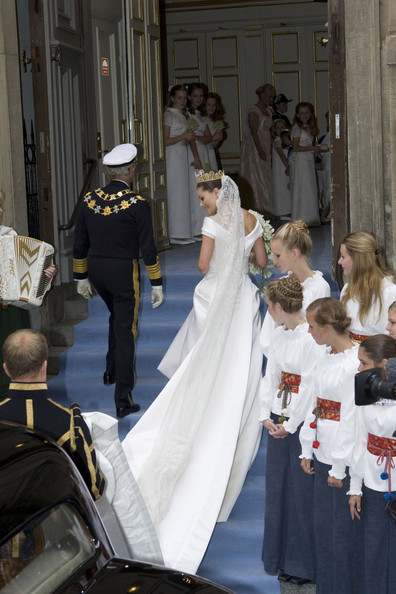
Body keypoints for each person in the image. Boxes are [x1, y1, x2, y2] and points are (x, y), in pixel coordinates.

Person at [122, 170, 267, 574]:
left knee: (204, 363)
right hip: (240, 300)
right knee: (238, 366)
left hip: (216, 295)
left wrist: (217, 262)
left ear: (217, 193)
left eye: (204, 198)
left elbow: (203, 266)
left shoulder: (213, 222)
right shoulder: (252, 219)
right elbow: (260, 262)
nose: (202, 204)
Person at [73, 143, 163, 419]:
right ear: (131, 171)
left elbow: (80, 241)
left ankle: (111, 370)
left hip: (97, 270)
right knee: (126, 330)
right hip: (123, 272)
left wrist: (80, 275)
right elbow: (147, 247)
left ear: (112, 172)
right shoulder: (137, 204)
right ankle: (123, 398)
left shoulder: (89, 200)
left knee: (116, 316)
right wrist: (156, 281)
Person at [260, 276, 324, 587]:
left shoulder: (310, 341)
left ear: (280, 307)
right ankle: (282, 556)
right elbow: (270, 376)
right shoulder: (279, 335)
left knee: (301, 494)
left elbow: (310, 387)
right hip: (278, 417)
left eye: (269, 308)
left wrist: (291, 425)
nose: (267, 313)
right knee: (278, 489)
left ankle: (304, 563)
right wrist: (264, 415)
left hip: (299, 424)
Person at [299, 298, 361, 594]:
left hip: (342, 460)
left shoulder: (353, 365)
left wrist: (338, 466)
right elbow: (316, 405)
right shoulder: (325, 356)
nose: (308, 331)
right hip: (323, 453)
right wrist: (307, 447)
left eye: (311, 326)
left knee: (342, 533)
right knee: (324, 529)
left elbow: (350, 418)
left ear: (326, 328)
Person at [0, 329, 105, 501]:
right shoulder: (71, 424)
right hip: (55, 521)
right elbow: (94, 489)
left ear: (6, 369)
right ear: (44, 366)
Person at [349, 334, 396, 594]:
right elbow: (360, 441)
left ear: (385, 363)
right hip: (373, 481)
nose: (358, 369)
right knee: (375, 549)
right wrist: (355, 487)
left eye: (364, 363)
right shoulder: (365, 393)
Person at [0, 195, 56, 398]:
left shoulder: (8, 236)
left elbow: (27, 283)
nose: (0, 211)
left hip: (10, 316)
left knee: (14, 378)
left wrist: (44, 276)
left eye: (0, 206)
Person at [260, 220, 330, 357]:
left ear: (294, 253)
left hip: (306, 359)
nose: (274, 261)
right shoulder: (280, 285)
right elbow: (267, 335)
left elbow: (319, 334)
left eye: (278, 255)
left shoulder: (319, 287)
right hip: (281, 359)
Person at [338, 231, 396, 343]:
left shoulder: (390, 292)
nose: (339, 262)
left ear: (358, 260)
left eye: (343, 257)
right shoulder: (347, 289)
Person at [164, 85, 197, 245]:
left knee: (184, 193)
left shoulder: (183, 115)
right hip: (173, 155)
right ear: (172, 98)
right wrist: (183, 136)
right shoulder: (169, 115)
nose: (182, 101)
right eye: (179, 97)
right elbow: (164, 140)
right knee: (176, 192)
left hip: (183, 155)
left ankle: (183, 232)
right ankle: (174, 233)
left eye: (184, 97)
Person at [240, 83, 276, 216]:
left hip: (266, 144)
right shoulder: (253, 110)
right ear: (262, 95)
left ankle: (266, 207)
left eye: (272, 97)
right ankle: (256, 208)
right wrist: (260, 150)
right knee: (256, 176)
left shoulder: (269, 111)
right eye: (269, 97)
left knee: (266, 177)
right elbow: (254, 132)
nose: (271, 100)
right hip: (254, 147)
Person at [186, 82, 212, 239]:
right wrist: (196, 156)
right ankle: (196, 228)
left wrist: (200, 138)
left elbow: (208, 137)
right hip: (194, 152)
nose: (198, 99)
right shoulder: (187, 115)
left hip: (203, 150)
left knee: (205, 187)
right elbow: (191, 138)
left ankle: (205, 225)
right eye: (195, 96)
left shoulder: (200, 115)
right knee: (196, 187)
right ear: (189, 97)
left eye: (201, 96)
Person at [290, 102, 322, 227]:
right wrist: (312, 148)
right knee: (303, 188)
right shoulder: (297, 129)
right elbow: (295, 147)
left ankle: (310, 217)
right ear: (297, 115)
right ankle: (302, 218)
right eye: (302, 113)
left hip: (307, 159)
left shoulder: (306, 128)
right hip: (301, 161)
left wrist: (313, 149)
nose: (305, 115)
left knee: (309, 188)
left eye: (307, 113)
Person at [269, 119, 291, 219]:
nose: (281, 129)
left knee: (287, 189)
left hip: (285, 167)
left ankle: (288, 210)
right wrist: (288, 166)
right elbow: (281, 154)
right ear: (274, 130)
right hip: (280, 169)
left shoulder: (285, 141)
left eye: (283, 127)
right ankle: (283, 211)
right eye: (278, 128)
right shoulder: (277, 141)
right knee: (281, 189)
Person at [203, 91, 226, 171]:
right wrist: (213, 137)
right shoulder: (201, 120)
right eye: (208, 104)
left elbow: (213, 146)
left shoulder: (213, 121)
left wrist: (218, 139)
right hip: (202, 154)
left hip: (211, 153)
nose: (211, 107)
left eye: (214, 105)